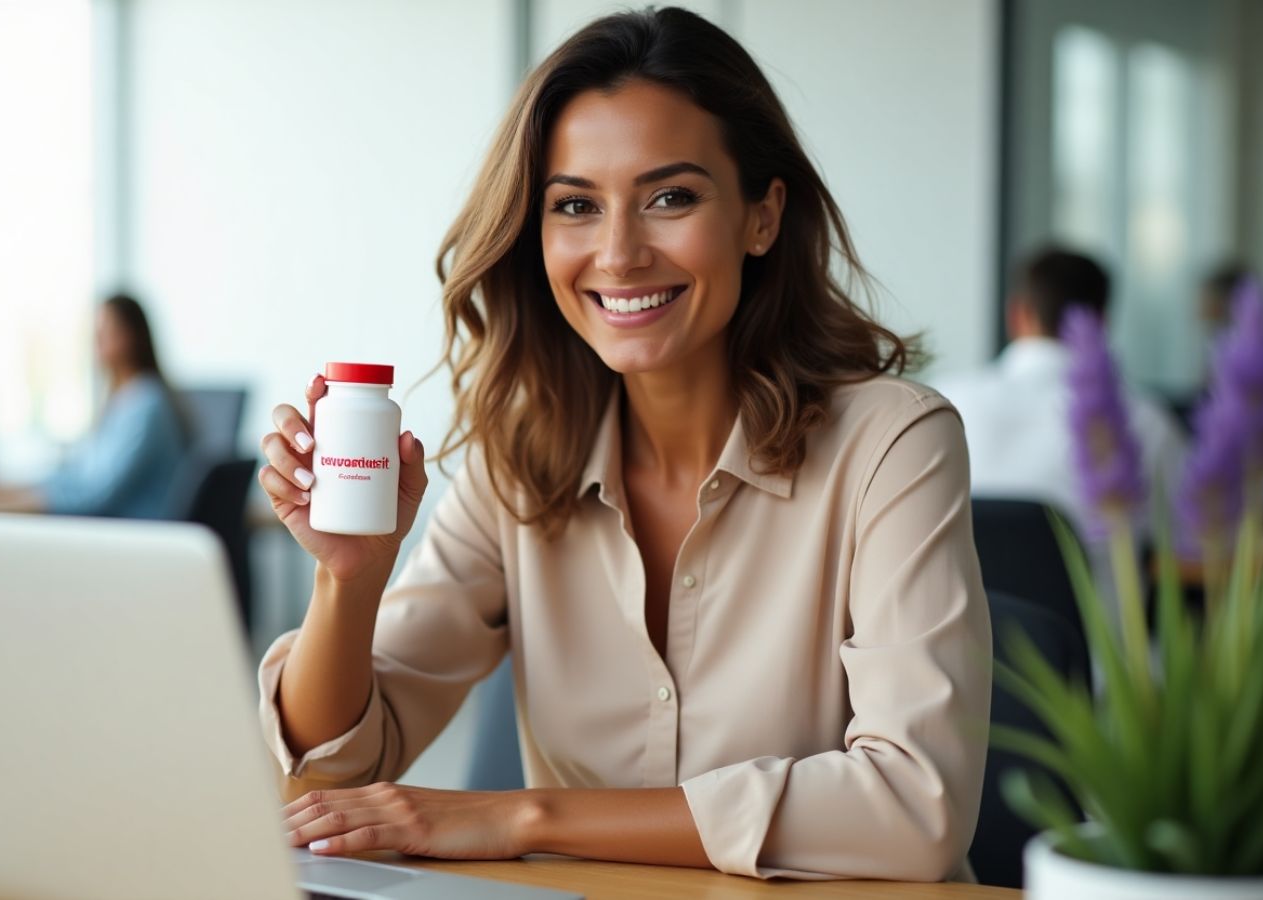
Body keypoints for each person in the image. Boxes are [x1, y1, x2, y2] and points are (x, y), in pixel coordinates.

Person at [253, 8, 990, 883]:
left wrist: (522, 816)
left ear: (762, 216)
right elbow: (331, 775)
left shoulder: (893, 445)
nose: (619, 252)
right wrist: (350, 577)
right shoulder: (518, 460)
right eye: (575, 206)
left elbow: (914, 809)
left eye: (670, 198)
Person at [932, 247, 1188, 542]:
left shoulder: (944, 401)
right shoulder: (1145, 421)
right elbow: (1194, 543)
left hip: (965, 589)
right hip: (1096, 590)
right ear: (1102, 322)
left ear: (1017, 314)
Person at [41, 294, 191, 519]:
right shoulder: (118, 400)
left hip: (136, 537)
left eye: (105, 331)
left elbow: (100, 495)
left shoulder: (146, 405)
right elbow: (82, 473)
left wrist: (38, 498)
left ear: (131, 336)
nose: (96, 340)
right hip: (115, 531)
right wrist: (24, 488)